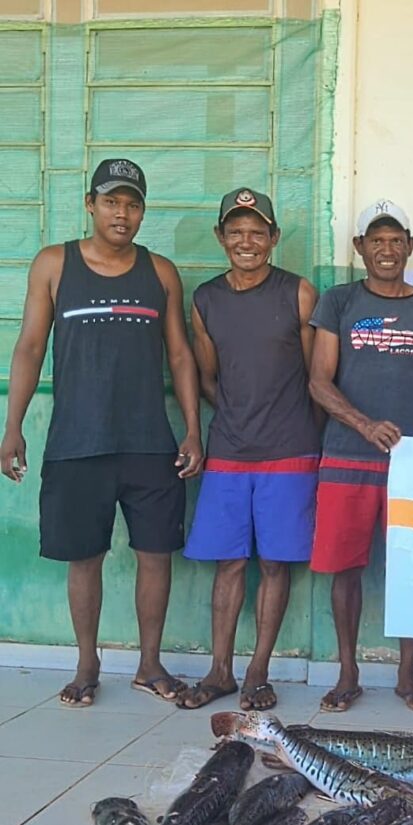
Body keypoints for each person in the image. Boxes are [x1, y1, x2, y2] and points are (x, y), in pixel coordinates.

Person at [0, 158, 202, 707]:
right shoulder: (53, 264)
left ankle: (150, 664)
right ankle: (87, 663)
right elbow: (29, 347)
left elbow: (180, 355)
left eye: (133, 203)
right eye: (111, 201)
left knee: (155, 553)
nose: (122, 213)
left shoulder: (160, 272)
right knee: (83, 556)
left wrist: (191, 429)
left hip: (148, 441)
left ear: (142, 212)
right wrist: (12, 426)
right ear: (90, 205)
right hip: (76, 441)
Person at [176, 188, 320, 711]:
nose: (246, 241)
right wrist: (238, 418)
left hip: (291, 451)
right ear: (221, 238)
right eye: (235, 231)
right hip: (230, 451)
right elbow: (208, 377)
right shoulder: (205, 299)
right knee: (229, 563)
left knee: (277, 564)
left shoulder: (299, 293)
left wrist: (302, 431)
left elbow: (315, 375)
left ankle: (257, 672)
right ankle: (219, 672)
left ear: (274, 238)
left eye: (257, 231)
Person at [308, 200, 413, 713]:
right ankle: (347, 674)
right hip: (346, 456)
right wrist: (365, 425)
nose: (387, 250)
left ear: (409, 247)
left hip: (411, 463)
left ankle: (407, 676)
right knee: (345, 570)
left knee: (410, 567)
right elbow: (318, 382)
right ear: (360, 247)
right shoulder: (338, 301)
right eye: (377, 240)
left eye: (397, 241)